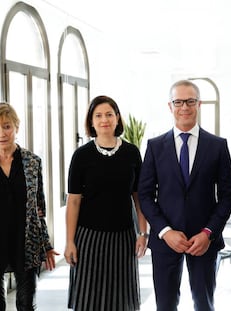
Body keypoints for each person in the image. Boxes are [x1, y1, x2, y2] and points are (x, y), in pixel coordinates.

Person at [138, 80, 231, 311]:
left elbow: (227, 196)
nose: (184, 107)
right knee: (166, 304)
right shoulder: (155, 146)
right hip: (166, 240)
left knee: (204, 303)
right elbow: (145, 195)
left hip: (203, 241)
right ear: (170, 106)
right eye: (178, 101)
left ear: (199, 104)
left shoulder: (217, 146)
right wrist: (165, 231)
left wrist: (208, 233)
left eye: (190, 101)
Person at [64, 95, 148, 311]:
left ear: (117, 118)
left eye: (109, 114)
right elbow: (73, 202)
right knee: (88, 300)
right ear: (91, 121)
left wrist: (142, 233)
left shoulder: (131, 153)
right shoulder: (81, 156)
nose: (104, 120)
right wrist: (70, 241)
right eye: (98, 115)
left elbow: (139, 198)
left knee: (121, 300)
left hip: (123, 237)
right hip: (89, 238)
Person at [0, 102, 58, 311]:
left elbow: (38, 209)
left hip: (25, 242)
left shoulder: (32, 162)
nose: (2, 133)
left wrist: (47, 245)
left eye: (7, 126)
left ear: (16, 127)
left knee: (26, 304)